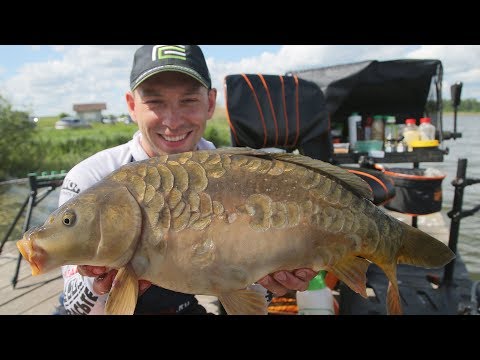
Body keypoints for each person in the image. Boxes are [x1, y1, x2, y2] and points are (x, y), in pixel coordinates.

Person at [56, 45, 317, 315]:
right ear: (132, 106)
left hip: (179, 305)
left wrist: (272, 276)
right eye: (155, 102)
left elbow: (251, 295)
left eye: (188, 100)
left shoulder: (234, 174)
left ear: (210, 103)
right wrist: (100, 279)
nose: (173, 121)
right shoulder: (92, 178)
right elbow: (76, 305)